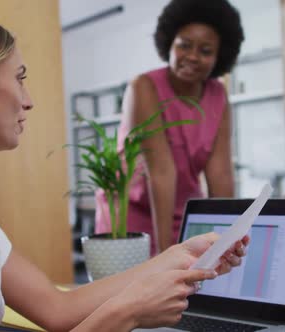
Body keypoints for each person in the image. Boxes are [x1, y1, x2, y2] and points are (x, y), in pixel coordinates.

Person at [0, 12, 250, 332]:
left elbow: (58, 308)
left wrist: (175, 257)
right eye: (20, 78)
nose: (29, 101)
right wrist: (129, 312)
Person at [95, 0, 244, 254]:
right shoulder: (144, 87)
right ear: (170, 43)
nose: (193, 57)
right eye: (184, 45)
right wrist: (166, 252)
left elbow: (220, 177)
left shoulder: (217, 94)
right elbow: (161, 172)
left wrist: (228, 238)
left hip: (186, 213)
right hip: (130, 216)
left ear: (219, 57)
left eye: (205, 51)